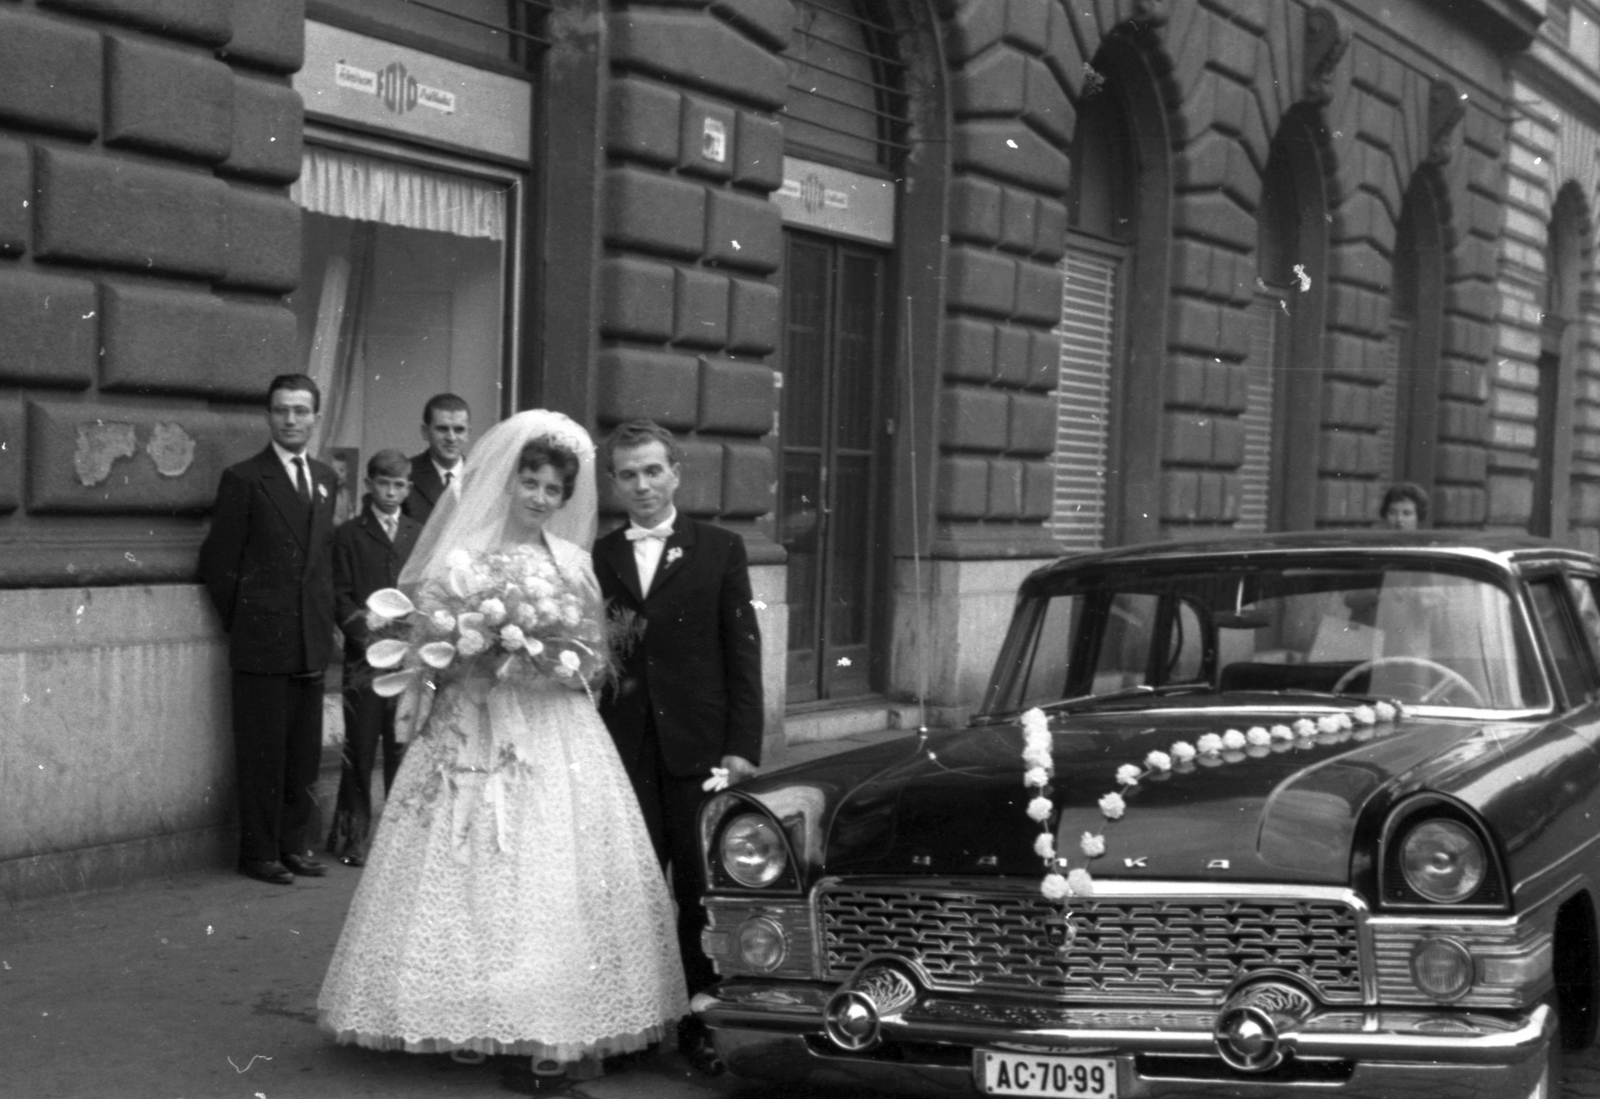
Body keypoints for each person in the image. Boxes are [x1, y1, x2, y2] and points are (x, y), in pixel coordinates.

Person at [318, 411, 686, 1079]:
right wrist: (475, 650)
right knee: (466, 858)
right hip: (473, 724)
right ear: (508, 481)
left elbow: (593, 655)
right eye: (531, 483)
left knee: (547, 859)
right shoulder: (463, 554)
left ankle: (545, 1005)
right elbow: (428, 647)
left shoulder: (573, 560)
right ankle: (458, 1006)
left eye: (553, 490)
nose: (540, 498)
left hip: (551, 726)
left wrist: (553, 658)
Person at [591, 419, 763, 1075]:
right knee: (630, 891)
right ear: (614, 482)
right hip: (623, 751)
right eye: (628, 473)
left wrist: (742, 743)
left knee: (698, 892)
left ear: (676, 473)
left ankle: (701, 1024)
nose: (641, 484)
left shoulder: (720, 548)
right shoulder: (599, 555)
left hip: (700, 751)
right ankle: (632, 1025)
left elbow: (742, 651)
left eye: (652, 470)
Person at [198, 374, 340, 886]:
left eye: (302, 411)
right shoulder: (244, 478)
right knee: (262, 752)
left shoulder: (325, 478)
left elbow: (322, 562)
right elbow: (219, 563)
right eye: (282, 410)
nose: (292, 420)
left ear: (315, 417)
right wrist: (247, 621)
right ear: (268, 416)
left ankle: (293, 845)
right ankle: (258, 852)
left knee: (302, 754)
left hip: (309, 639)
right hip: (262, 641)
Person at [325, 449, 422, 867]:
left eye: (399, 485)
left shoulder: (417, 534)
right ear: (369, 485)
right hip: (364, 662)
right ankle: (352, 838)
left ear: (409, 489)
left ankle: (399, 844)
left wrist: (415, 636)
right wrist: (363, 635)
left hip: (407, 661)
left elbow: (424, 591)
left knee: (401, 748)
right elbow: (339, 593)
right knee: (360, 749)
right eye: (383, 483)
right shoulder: (349, 534)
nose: (390, 492)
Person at [402, 393, 471, 527]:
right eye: (442, 429)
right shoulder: (406, 474)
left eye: (459, 430)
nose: (451, 438)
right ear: (425, 431)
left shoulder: (483, 477)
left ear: (468, 433)